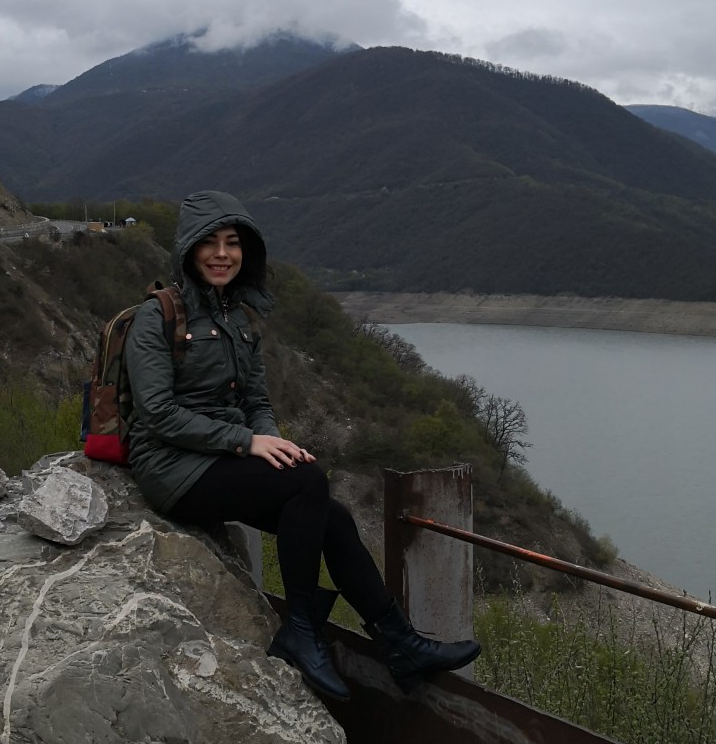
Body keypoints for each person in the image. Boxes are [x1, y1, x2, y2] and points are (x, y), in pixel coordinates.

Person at [125, 189, 481, 700]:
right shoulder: (157, 315)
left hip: (218, 458)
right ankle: (301, 628)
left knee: (330, 513)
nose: (222, 253)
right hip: (169, 468)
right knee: (309, 483)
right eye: (209, 242)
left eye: (233, 243)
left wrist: (270, 440)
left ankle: (400, 643)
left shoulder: (240, 318)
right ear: (187, 249)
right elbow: (157, 412)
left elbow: (256, 399)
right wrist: (245, 442)